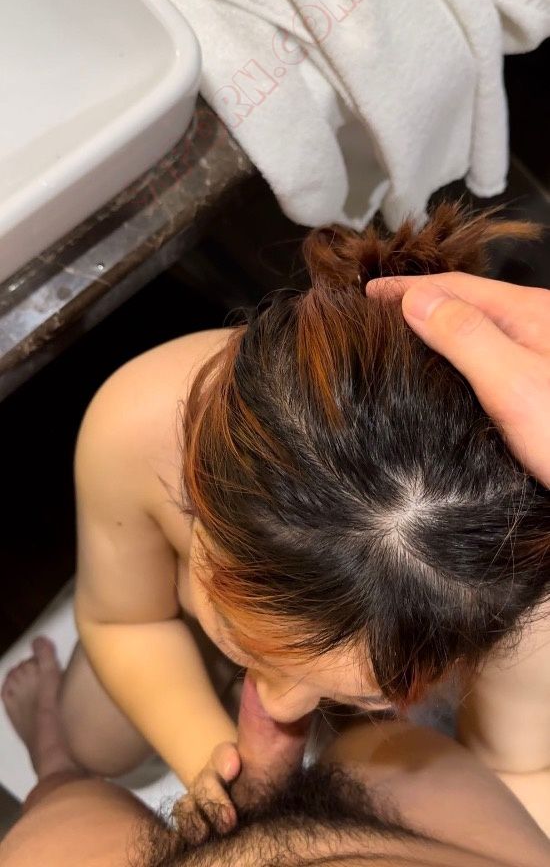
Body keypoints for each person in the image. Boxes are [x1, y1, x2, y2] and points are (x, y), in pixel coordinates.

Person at [58, 202, 550, 830]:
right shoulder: (136, 423)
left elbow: (516, 774)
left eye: (365, 691)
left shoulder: (525, 603)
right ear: (196, 497)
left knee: (375, 757)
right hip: (162, 617)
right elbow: (121, 620)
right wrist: (211, 759)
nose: (283, 709)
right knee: (93, 745)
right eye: (242, 636)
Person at [1, 633, 549, 867]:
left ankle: (53, 762)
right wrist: (217, 754)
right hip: (434, 836)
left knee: (62, 803)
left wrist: (223, 768)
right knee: (389, 746)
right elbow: (124, 616)